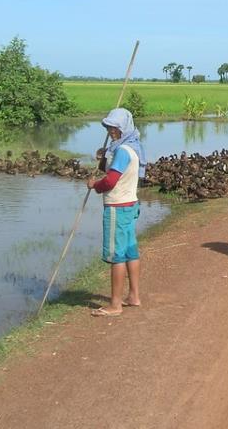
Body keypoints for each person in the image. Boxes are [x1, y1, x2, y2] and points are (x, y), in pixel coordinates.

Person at [86, 107, 147, 317]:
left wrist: (95, 185)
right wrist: (103, 159)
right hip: (131, 205)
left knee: (117, 256)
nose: (111, 130)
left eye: (115, 127)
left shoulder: (122, 151)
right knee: (131, 251)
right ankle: (134, 296)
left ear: (124, 127)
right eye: (109, 126)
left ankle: (115, 304)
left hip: (117, 208)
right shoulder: (131, 148)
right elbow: (114, 171)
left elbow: (111, 181)